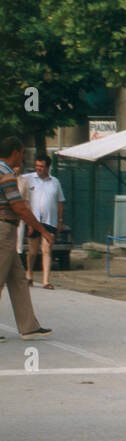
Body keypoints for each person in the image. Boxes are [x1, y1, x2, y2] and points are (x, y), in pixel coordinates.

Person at [0, 134, 53, 342]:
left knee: (19, 279)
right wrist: (43, 231)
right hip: (4, 230)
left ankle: (28, 326)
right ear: (15, 153)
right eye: (22, 153)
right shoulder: (6, 173)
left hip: (7, 231)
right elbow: (19, 207)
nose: (23, 157)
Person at [25, 156, 64, 290]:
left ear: (48, 167)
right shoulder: (29, 179)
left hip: (50, 220)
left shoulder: (55, 182)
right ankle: (29, 275)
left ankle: (46, 281)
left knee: (46, 249)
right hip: (33, 220)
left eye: (41, 166)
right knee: (32, 250)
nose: (38, 168)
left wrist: (60, 221)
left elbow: (60, 202)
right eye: (37, 165)